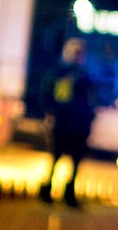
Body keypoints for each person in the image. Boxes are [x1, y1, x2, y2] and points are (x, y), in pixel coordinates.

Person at [37, 38, 97, 207]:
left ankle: (66, 192)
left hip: (76, 123)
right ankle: (50, 190)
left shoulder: (83, 75)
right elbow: (47, 95)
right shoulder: (61, 73)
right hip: (64, 121)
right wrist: (51, 112)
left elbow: (92, 99)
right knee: (57, 157)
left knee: (73, 160)